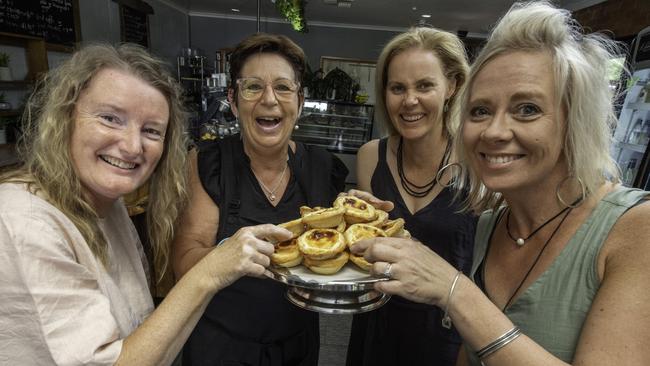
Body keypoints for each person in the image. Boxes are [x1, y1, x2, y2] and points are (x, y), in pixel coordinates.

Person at [351, 2, 650, 365]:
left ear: (576, 118)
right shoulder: (493, 227)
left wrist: (454, 289)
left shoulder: (636, 227)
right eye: (481, 111)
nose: (494, 131)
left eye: (527, 109)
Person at [0, 43, 291, 365]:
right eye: (110, 118)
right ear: (65, 118)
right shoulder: (24, 222)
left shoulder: (109, 209)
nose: (131, 145)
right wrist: (212, 269)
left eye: (152, 130)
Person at [173, 33, 348, 366]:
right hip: (221, 346)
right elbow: (184, 261)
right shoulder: (207, 163)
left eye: (283, 87)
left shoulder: (323, 167)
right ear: (234, 100)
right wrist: (234, 253)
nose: (269, 99)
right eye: (253, 87)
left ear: (300, 100)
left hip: (299, 344)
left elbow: (335, 253)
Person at [346, 27, 476, 366]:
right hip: (377, 324)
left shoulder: (479, 163)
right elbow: (369, 250)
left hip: (446, 336)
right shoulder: (370, 156)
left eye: (424, 85)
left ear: (452, 86)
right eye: (397, 88)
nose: (409, 100)